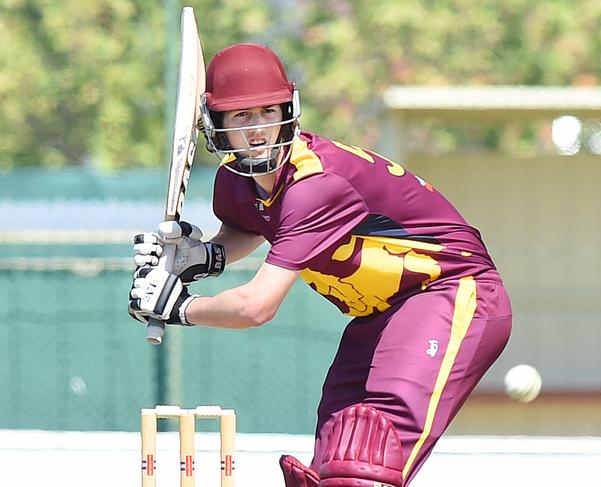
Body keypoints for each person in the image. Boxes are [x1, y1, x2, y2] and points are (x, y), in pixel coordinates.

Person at [129, 43, 512, 487]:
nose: (259, 130)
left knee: (368, 458)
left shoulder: (314, 187)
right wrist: (203, 257)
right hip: (380, 314)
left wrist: (178, 307)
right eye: (242, 117)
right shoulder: (235, 183)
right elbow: (250, 226)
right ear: (218, 127)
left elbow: (257, 306)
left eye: (268, 111)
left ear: (289, 108)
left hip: (453, 293)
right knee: (333, 460)